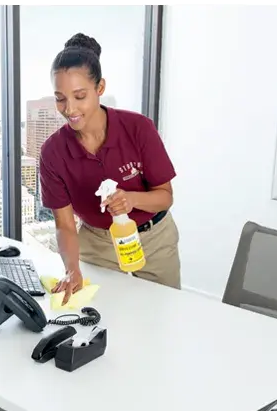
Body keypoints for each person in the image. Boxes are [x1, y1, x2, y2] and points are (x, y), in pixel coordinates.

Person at [39, 33, 181, 304]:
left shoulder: (138, 128)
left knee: (163, 317)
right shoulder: (53, 152)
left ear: (100, 87)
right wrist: (72, 269)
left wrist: (132, 199)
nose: (70, 109)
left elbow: (165, 196)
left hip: (154, 240)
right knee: (99, 317)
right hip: (98, 243)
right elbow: (65, 225)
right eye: (60, 98)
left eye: (79, 96)